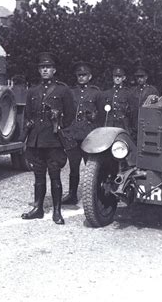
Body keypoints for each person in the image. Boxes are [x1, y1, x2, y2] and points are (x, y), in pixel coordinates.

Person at [21, 52, 75, 224]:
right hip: (36, 140)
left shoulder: (63, 90)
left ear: (54, 70)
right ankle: (38, 208)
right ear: (39, 70)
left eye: (48, 67)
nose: (45, 70)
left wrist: (59, 124)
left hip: (53, 140)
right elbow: (28, 114)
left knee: (55, 176)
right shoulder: (32, 91)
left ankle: (57, 211)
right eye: (42, 67)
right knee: (38, 176)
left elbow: (70, 114)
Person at [62, 61, 100, 205]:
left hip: (88, 135)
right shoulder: (71, 92)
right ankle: (72, 195)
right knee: (73, 167)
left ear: (90, 77)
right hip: (73, 133)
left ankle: (95, 195)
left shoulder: (96, 93)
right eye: (79, 75)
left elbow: (101, 114)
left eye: (84, 75)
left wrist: (95, 117)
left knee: (91, 167)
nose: (81, 78)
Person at [129, 66, 159, 139]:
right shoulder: (133, 91)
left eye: (142, 77)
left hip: (147, 122)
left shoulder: (152, 90)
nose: (139, 79)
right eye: (138, 77)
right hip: (135, 123)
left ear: (146, 77)